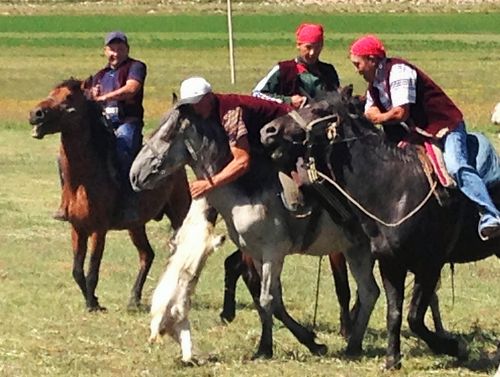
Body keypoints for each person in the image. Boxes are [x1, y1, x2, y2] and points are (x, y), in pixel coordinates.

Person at [349, 34, 500, 240]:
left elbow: (400, 112)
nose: (356, 69)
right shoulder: (374, 85)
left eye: (358, 64)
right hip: (417, 134)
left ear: (372, 60)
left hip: (443, 127)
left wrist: (379, 117)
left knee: (456, 166)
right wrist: (376, 115)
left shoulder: (399, 72)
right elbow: (369, 111)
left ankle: (489, 214)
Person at [53, 31, 147, 222]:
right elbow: (88, 100)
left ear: (127, 50)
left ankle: (128, 202)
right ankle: (67, 202)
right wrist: (91, 95)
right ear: (105, 51)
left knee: (123, 151)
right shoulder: (100, 75)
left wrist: (104, 97)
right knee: (64, 157)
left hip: (126, 123)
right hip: (103, 126)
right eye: (112, 49)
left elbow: (131, 89)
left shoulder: (135, 67)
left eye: (120, 49)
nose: (116, 53)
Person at [176, 76, 293, 199]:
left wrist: (209, 184)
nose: (195, 108)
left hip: (286, 132)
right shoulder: (209, 110)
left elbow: (242, 161)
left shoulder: (230, 114)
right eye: (191, 104)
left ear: (209, 97)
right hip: (258, 140)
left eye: (198, 103)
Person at [252, 23, 340, 109]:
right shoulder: (284, 70)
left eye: (317, 47)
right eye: (308, 47)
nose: (312, 53)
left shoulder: (328, 71)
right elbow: (257, 94)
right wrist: (288, 100)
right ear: (298, 45)